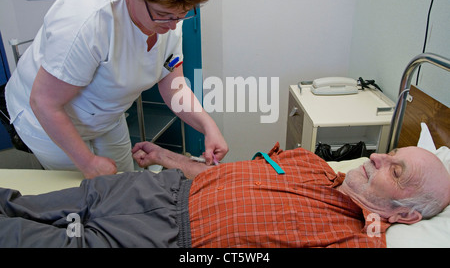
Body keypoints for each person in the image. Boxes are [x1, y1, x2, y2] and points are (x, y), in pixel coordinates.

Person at [4, 0, 227, 179]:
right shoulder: (86, 20)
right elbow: (44, 102)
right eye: (163, 15)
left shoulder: (168, 14)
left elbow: (174, 86)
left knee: (123, 179)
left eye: (180, 16)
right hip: (50, 118)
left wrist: (207, 126)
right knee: (85, 193)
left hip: (107, 114)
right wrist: (88, 163)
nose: (172, 26)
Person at [0, 143, 449, 248]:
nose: (375, 155)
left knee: (22, 239)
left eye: (396, 168)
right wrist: (167, 156)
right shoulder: (310, 162)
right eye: (389, 151)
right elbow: (227, 172)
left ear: (407, 214)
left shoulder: (354, 240)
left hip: (165, 240)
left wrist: (377, 226)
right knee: (18, 204)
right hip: (158, 186)